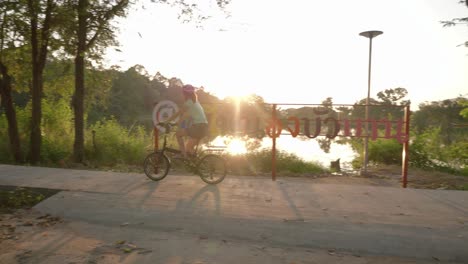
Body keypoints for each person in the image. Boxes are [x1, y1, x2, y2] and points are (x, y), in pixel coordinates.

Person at [166, 84, 208, 158]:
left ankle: (183, 155)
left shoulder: (189, 102)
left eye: (183, 93)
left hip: (198, 127)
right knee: (188, 147)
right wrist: (177, 123)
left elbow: (179, 113)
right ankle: (196, 163)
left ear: (185, 94)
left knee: (178, 134)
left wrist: (167, 121)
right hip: (203, 127)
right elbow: (185, 116)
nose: (182, 95)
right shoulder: (195, 102)